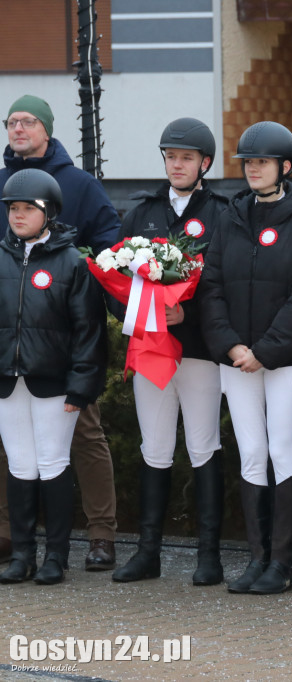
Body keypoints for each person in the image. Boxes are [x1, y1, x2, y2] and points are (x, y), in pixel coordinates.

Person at [200, 121, 292, 595]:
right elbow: (210, 288)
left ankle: (282, 564)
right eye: (248, 162)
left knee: (280, 450)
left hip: (286, 360)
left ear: (285, 167)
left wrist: (265, 351)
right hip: (236, 359)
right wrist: (232, 346)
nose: (253, 169)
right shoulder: (230, 218)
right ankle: (256, 560)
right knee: (251, 453)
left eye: (262, 162)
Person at [0, 94, 121, 569]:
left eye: (27, 121)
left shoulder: (81, 186)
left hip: (63, 344)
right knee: (14, 451)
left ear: (47, 129)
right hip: (12, 354)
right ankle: (13, 537)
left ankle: (100, 533)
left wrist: (110, 302)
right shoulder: (3, 183)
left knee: (84, 437)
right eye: (11, 122)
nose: (17, 129)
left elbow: (110, 249)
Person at [111, 118, 228, 586]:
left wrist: (190, 316)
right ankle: (148, 553)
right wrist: (141, 317)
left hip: (197, 350)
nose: (176, 165)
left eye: (185, 158)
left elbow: (224, 281)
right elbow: (113, 273)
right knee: (154, 448)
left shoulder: (222, 212)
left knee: (203, 446)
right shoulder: (142, 211)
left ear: (204, 163)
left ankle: (209, 555)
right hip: (151, 350)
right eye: (170, 157)